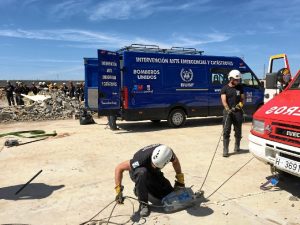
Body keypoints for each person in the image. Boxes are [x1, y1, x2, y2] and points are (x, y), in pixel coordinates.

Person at [114, 144, 185, 217]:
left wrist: (180, 180)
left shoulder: (168, 153)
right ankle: (143, 203)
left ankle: (141, 189)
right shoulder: (140, 160)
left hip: (152, 171)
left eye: (156, 167)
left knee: (167, 193)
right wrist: (118, 191)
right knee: (142, 173)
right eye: (153, 164)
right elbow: (119, 168)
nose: (154, 166)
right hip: (138, 172)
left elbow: (175, 162)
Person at [220, 70, 245, 157]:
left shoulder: (240, 88)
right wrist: (228, 109)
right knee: (226, 130)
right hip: (228, 113)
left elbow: (242, 100)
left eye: (238, 80)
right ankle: (225, 149)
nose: (238, 81)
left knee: (238, 130)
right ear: (231, 79)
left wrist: (240, 105)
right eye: (236, 79)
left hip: (238, 112)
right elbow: (223, 101)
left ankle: (237, 146)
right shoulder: (225, 88)